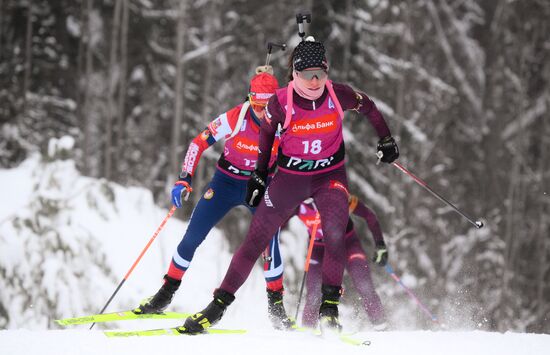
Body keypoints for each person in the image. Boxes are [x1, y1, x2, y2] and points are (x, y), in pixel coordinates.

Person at [180, 36, 399, 334]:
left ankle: (329, 310)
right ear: (294, 74)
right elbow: (266, 134)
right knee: (256, 239)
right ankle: (217, 307)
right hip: (290, 178)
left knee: (334, 233)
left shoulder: (339, 94)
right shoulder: (280, 101)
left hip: (329, 176)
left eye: (319, 74)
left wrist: (385, 139)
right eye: (306, 74)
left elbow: (369, 107)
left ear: (327, 72)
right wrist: (258, 174)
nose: (313, 81)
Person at [133, 70, 294, 330]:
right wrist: (184, 178)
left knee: (270, 243)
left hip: (260, 185)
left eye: (268, 107)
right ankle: (165, 293)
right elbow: (198, 143)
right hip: (226, 182)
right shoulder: (235, 117)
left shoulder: (285, 121)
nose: (262, 113)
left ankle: (276, 307)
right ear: (249, 99)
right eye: (256, 105)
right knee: (192, 236)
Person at [297, 195, 388, 330]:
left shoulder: (336, 195)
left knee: (363, 283)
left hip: (347, 243)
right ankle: (307, 332)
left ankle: (381, 326)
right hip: (318, 248)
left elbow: (369, 215)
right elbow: (273, 220)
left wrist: (380, 244)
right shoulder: (294, 202)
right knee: (314, 293)